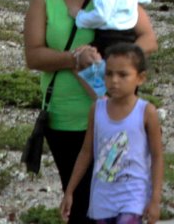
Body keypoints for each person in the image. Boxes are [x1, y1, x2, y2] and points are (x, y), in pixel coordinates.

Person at [25, 0, 160, 224]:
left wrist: (116, 65)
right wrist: (75, 58)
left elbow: (149, 39)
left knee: (118, 204)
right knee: (79, 204)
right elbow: (33, 56)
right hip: (64, 117)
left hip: (115, 117)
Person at [59, 43, 164, 224]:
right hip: (103, 199)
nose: (114, 80)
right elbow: (86, 152)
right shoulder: (97, 110)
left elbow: (157, 156)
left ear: (140, 78)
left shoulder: (146, 112)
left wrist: (155, 199)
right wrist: (69, 191)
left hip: (134, 198)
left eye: (123, 75)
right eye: (109, 74)